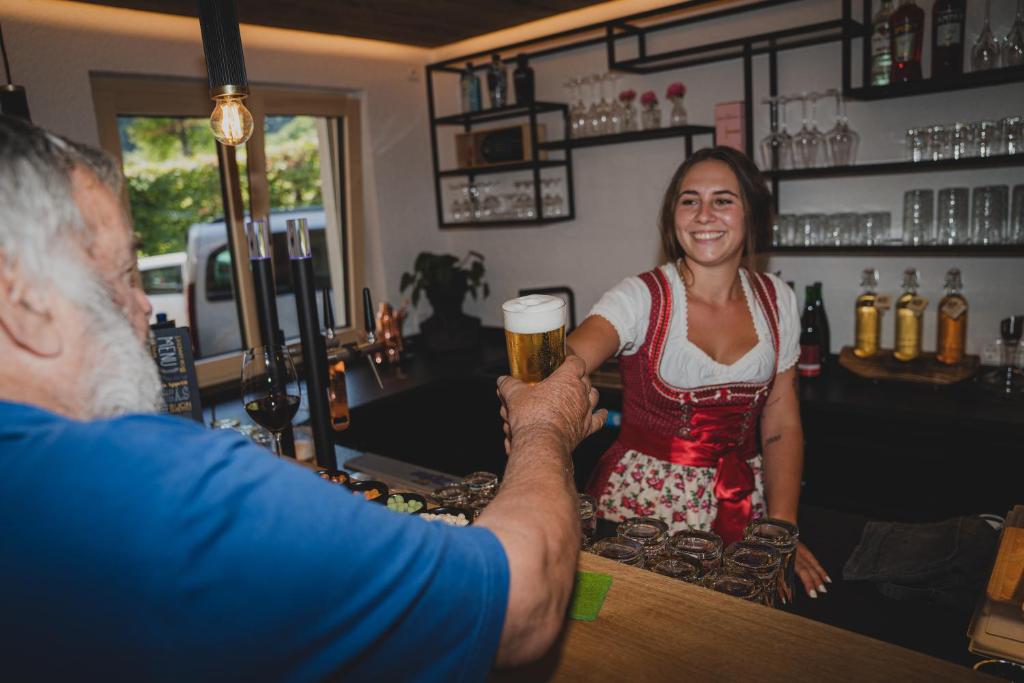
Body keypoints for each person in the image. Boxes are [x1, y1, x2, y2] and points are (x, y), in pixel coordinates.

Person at [0, 115, 606, 681]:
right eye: (122, 277)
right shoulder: (176, 493)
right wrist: (543, 428)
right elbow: (520, 605)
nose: (143, 308)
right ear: (21, 300)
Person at [568, 146, 829, 599]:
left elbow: (782, 425)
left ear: (752, 214)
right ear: (673, 216)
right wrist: (548, 377)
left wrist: (781, 530)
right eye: (689, 200)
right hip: (642, 514)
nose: (704, 214)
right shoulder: (640, 297)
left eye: (723, 199)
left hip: (746, 504)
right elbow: (570, 362)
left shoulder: (777, 298)